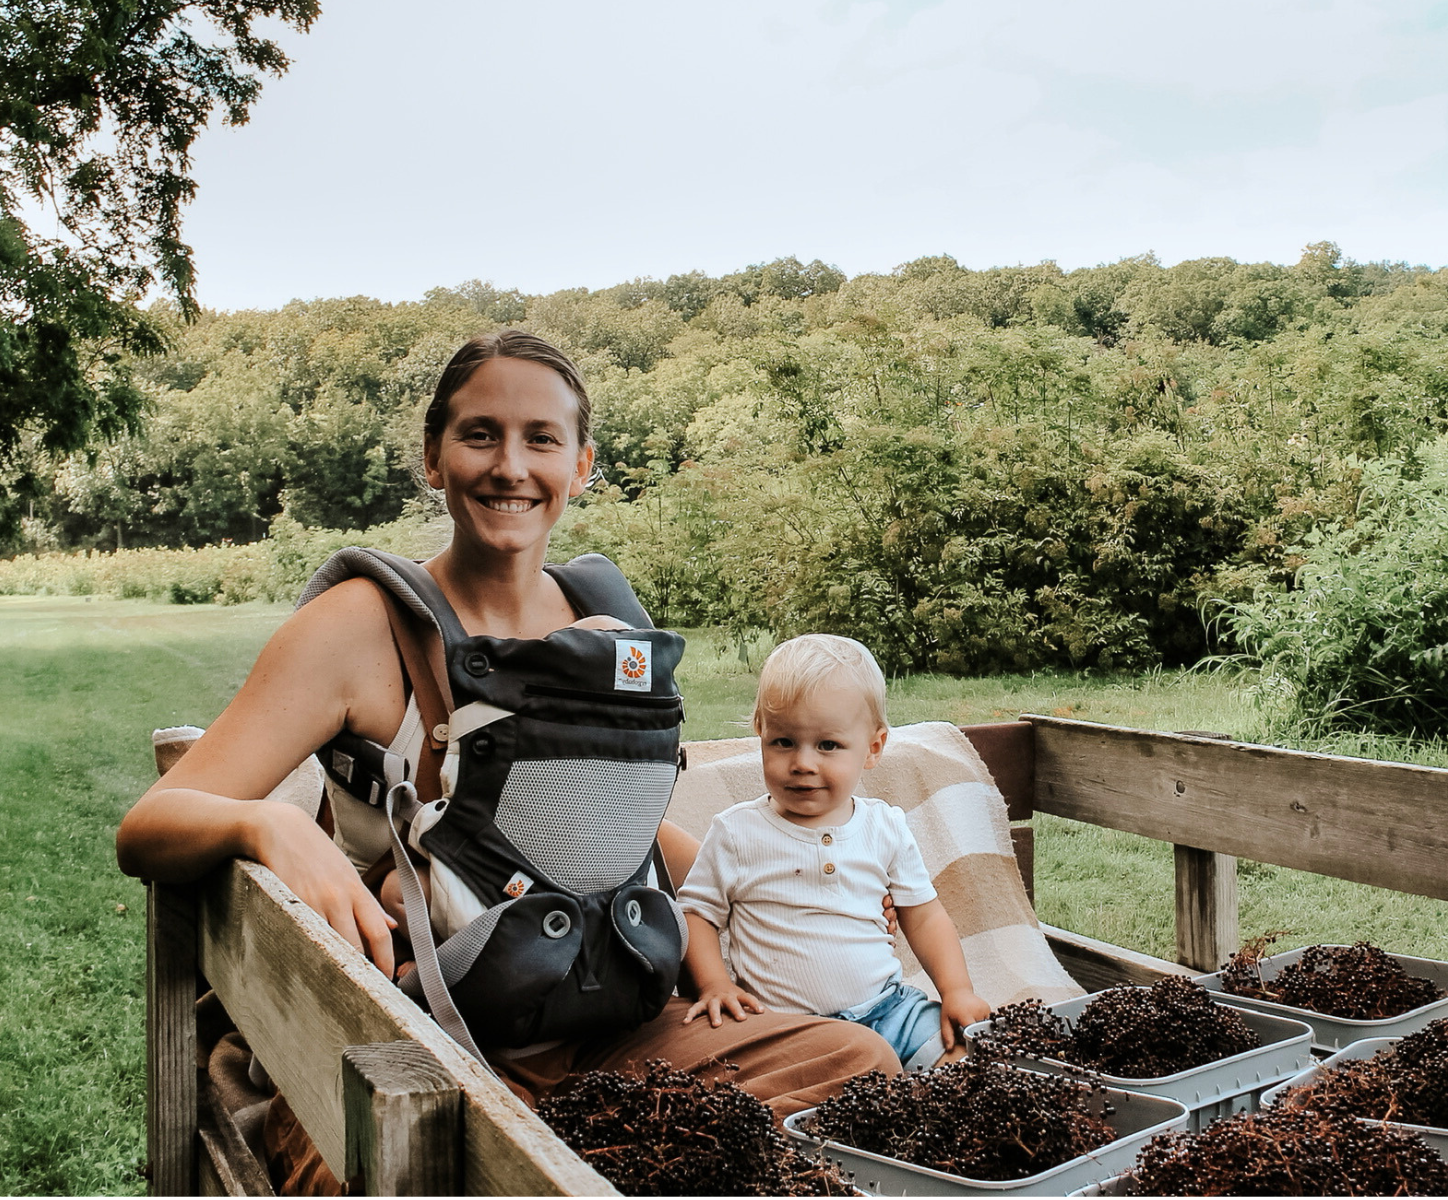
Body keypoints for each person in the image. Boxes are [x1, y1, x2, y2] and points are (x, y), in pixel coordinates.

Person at [116, 331, 899, 1190]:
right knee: (423, 1168)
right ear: (433, 457)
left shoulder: (608, 630)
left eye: (542, 439)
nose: (510, 466)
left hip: (605, 1025)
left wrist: (781, 874)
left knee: (859, 1068)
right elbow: (150, 827)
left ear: (582, 462)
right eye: (479, 434)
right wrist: (266, 823)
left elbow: (609, 833)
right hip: (408, 1043)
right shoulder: (360, 624)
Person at [676, 633, 991, 1070]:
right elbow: (696, 913)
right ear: (760, 733)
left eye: (827, 745)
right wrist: (714, 984)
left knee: (966, 1057)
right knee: (813, 1087)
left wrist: (956, 989)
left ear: (873, 748)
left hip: (888, 1009)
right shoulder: (736, 832)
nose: (803, 762)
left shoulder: (884, 827)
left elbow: (925, 915)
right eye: (783, 741)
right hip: (787, 1027)